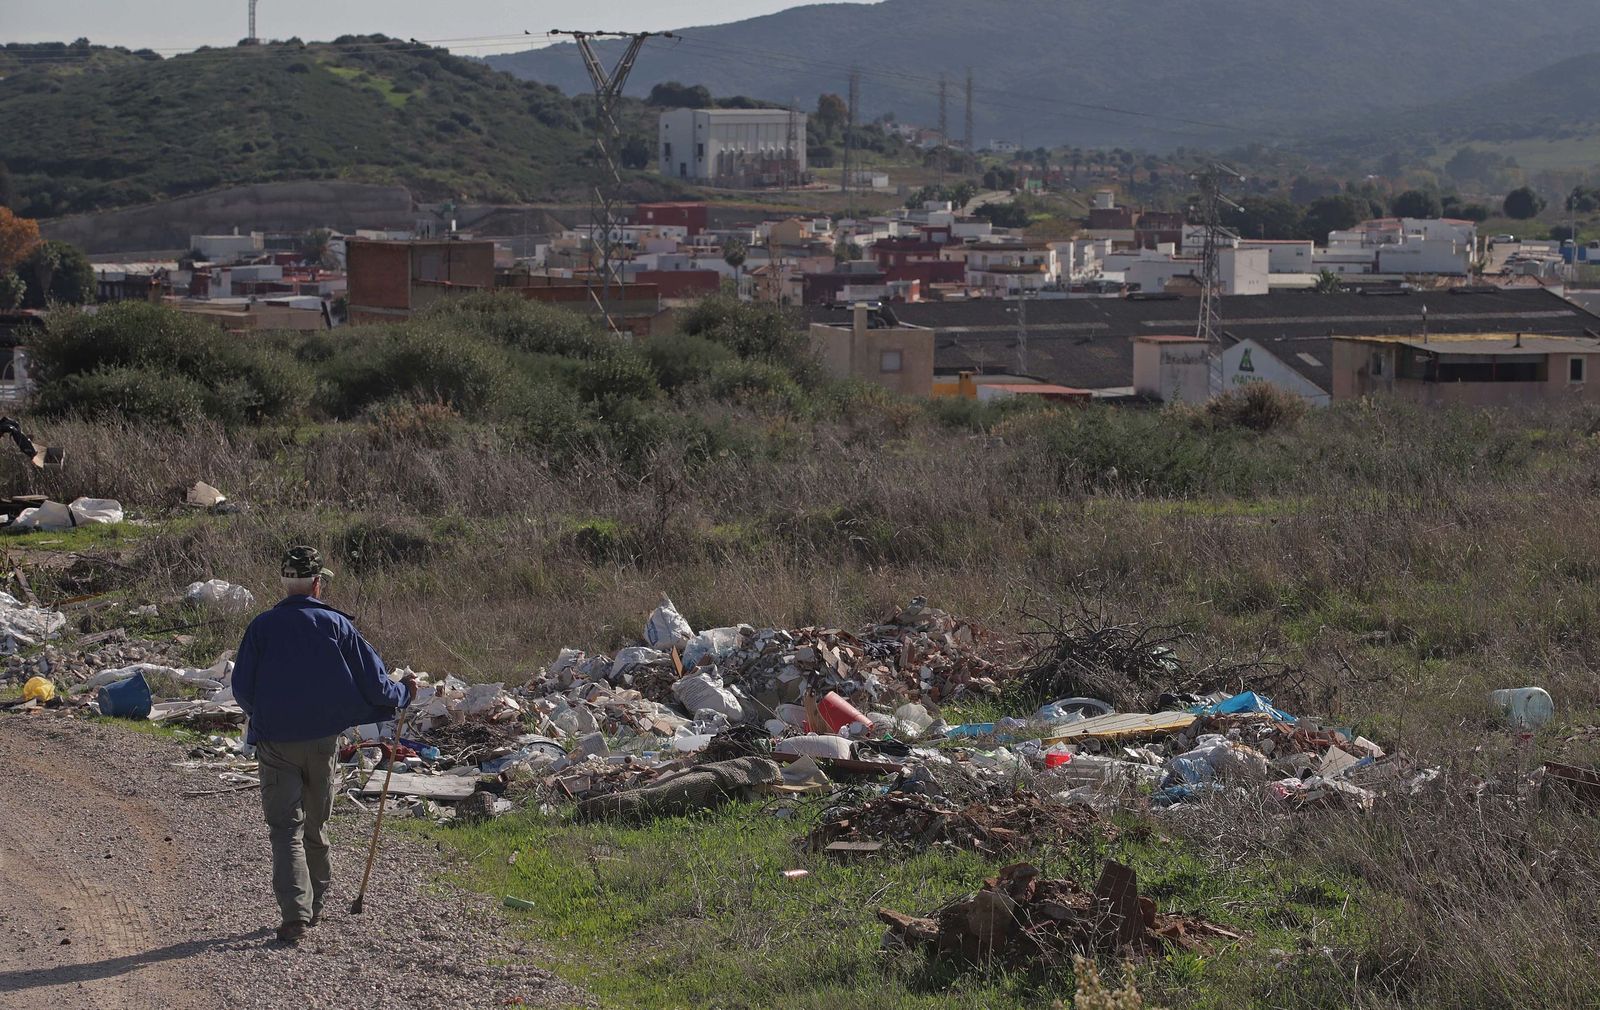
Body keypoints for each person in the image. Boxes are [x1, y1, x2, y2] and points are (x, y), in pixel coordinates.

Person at [232, 546, 417, 944]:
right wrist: (404, 692)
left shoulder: (261, 627)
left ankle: (295, 914)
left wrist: (266, 715)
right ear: (318, 584)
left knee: (285, 828)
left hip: (276, 742)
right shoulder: (336, 625)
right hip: (321, 742)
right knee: (315, 822)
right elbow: (375, 683)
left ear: (284, 584)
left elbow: (242, 689)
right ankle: (314, 907)